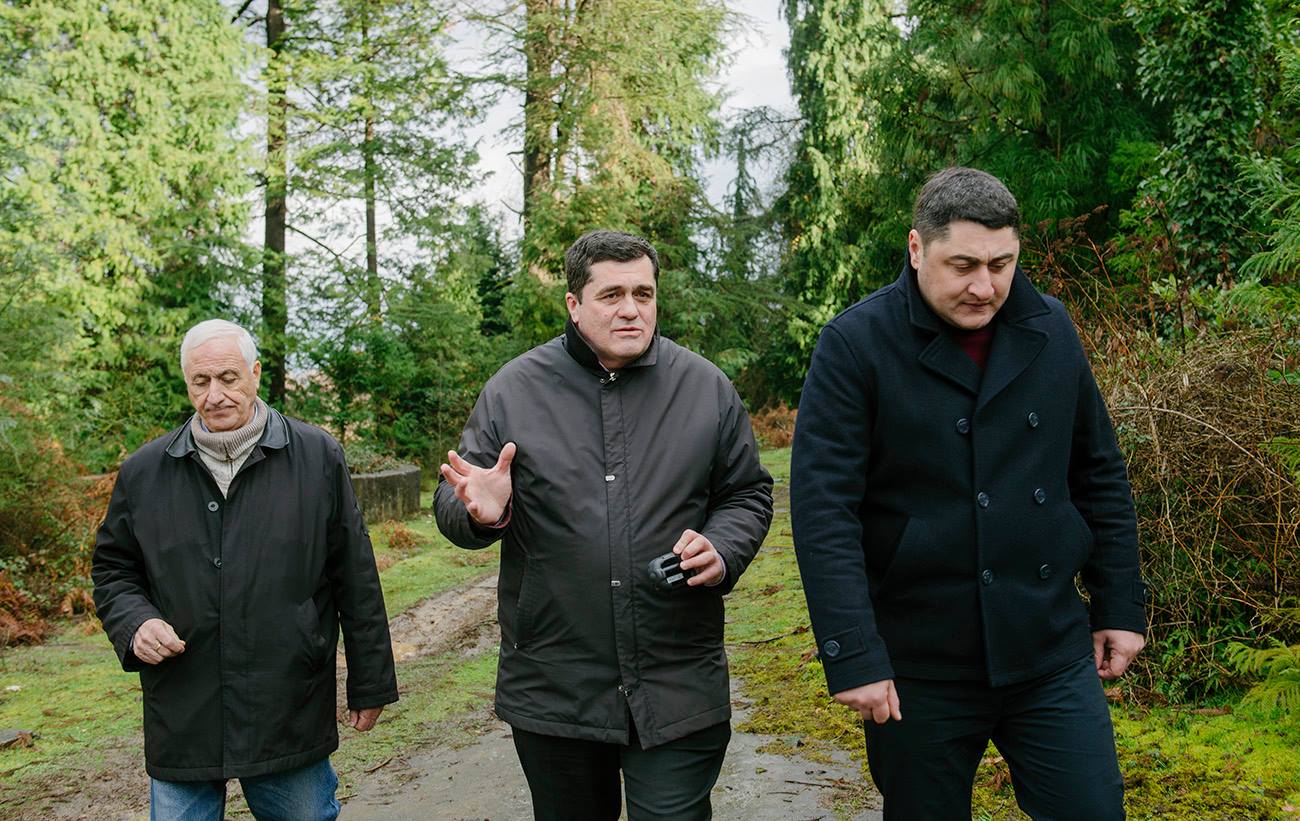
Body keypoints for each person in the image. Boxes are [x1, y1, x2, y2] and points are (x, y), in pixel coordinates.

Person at [791, 167, 1148, 819]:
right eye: (963, 265)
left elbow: (1098, 472)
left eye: (1001, 264)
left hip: (1047, 645)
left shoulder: (1051, 328)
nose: (985, 286)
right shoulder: (856, 343)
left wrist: (1120, 604)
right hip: (918, 661)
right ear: (916, 248)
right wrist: (854, 653)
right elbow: (824, 512)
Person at [435, 229, 773, 820]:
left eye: (643, 293)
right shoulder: (514, 390)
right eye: (612, 295)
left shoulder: (705, 388)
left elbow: (747, 492)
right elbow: (455, 496)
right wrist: (480, 511)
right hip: (555, 683)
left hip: (677, 677)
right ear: (574, 304)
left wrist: (723, 547)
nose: (631, 309)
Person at [92, 319, 398, 821]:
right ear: (187, 384)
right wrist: (135, 623)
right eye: (200, 381)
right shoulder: (144, 472)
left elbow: (355, 575)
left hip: (287, 702)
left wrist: (371, 683)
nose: (214, 395)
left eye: (228, 378)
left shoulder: (316, 456)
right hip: (183, 707)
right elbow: (113, 570)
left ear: (255, 374)